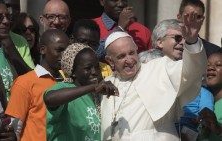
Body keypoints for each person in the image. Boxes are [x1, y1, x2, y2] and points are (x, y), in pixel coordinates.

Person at [101, 12, 207, 140]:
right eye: (121, 56)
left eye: (131, 53)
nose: (129, 60)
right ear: (110, 61)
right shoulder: (107, 83)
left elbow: (192, 71)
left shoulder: (159, 68)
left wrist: (191, 42)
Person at [151, 19, 214, 140]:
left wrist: (192, 41)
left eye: (185, 39)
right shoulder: (145, 64)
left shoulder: (184, 70)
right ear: (159, 42)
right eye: (177, 38)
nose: (182, 43)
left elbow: (196, 67)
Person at [43, 43, 118, 141]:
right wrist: (92, 87)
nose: (94, 72)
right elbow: (49, 99)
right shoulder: (65, 87)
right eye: (88, 68)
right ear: (73, 71)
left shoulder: (97, 96)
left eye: (97, 67)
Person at [5, 29, 69, 141]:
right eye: (59, 50)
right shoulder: (25, 82)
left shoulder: (68, 82)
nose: (64, 55)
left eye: (67, 51)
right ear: (42, 49)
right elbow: (14, 127)